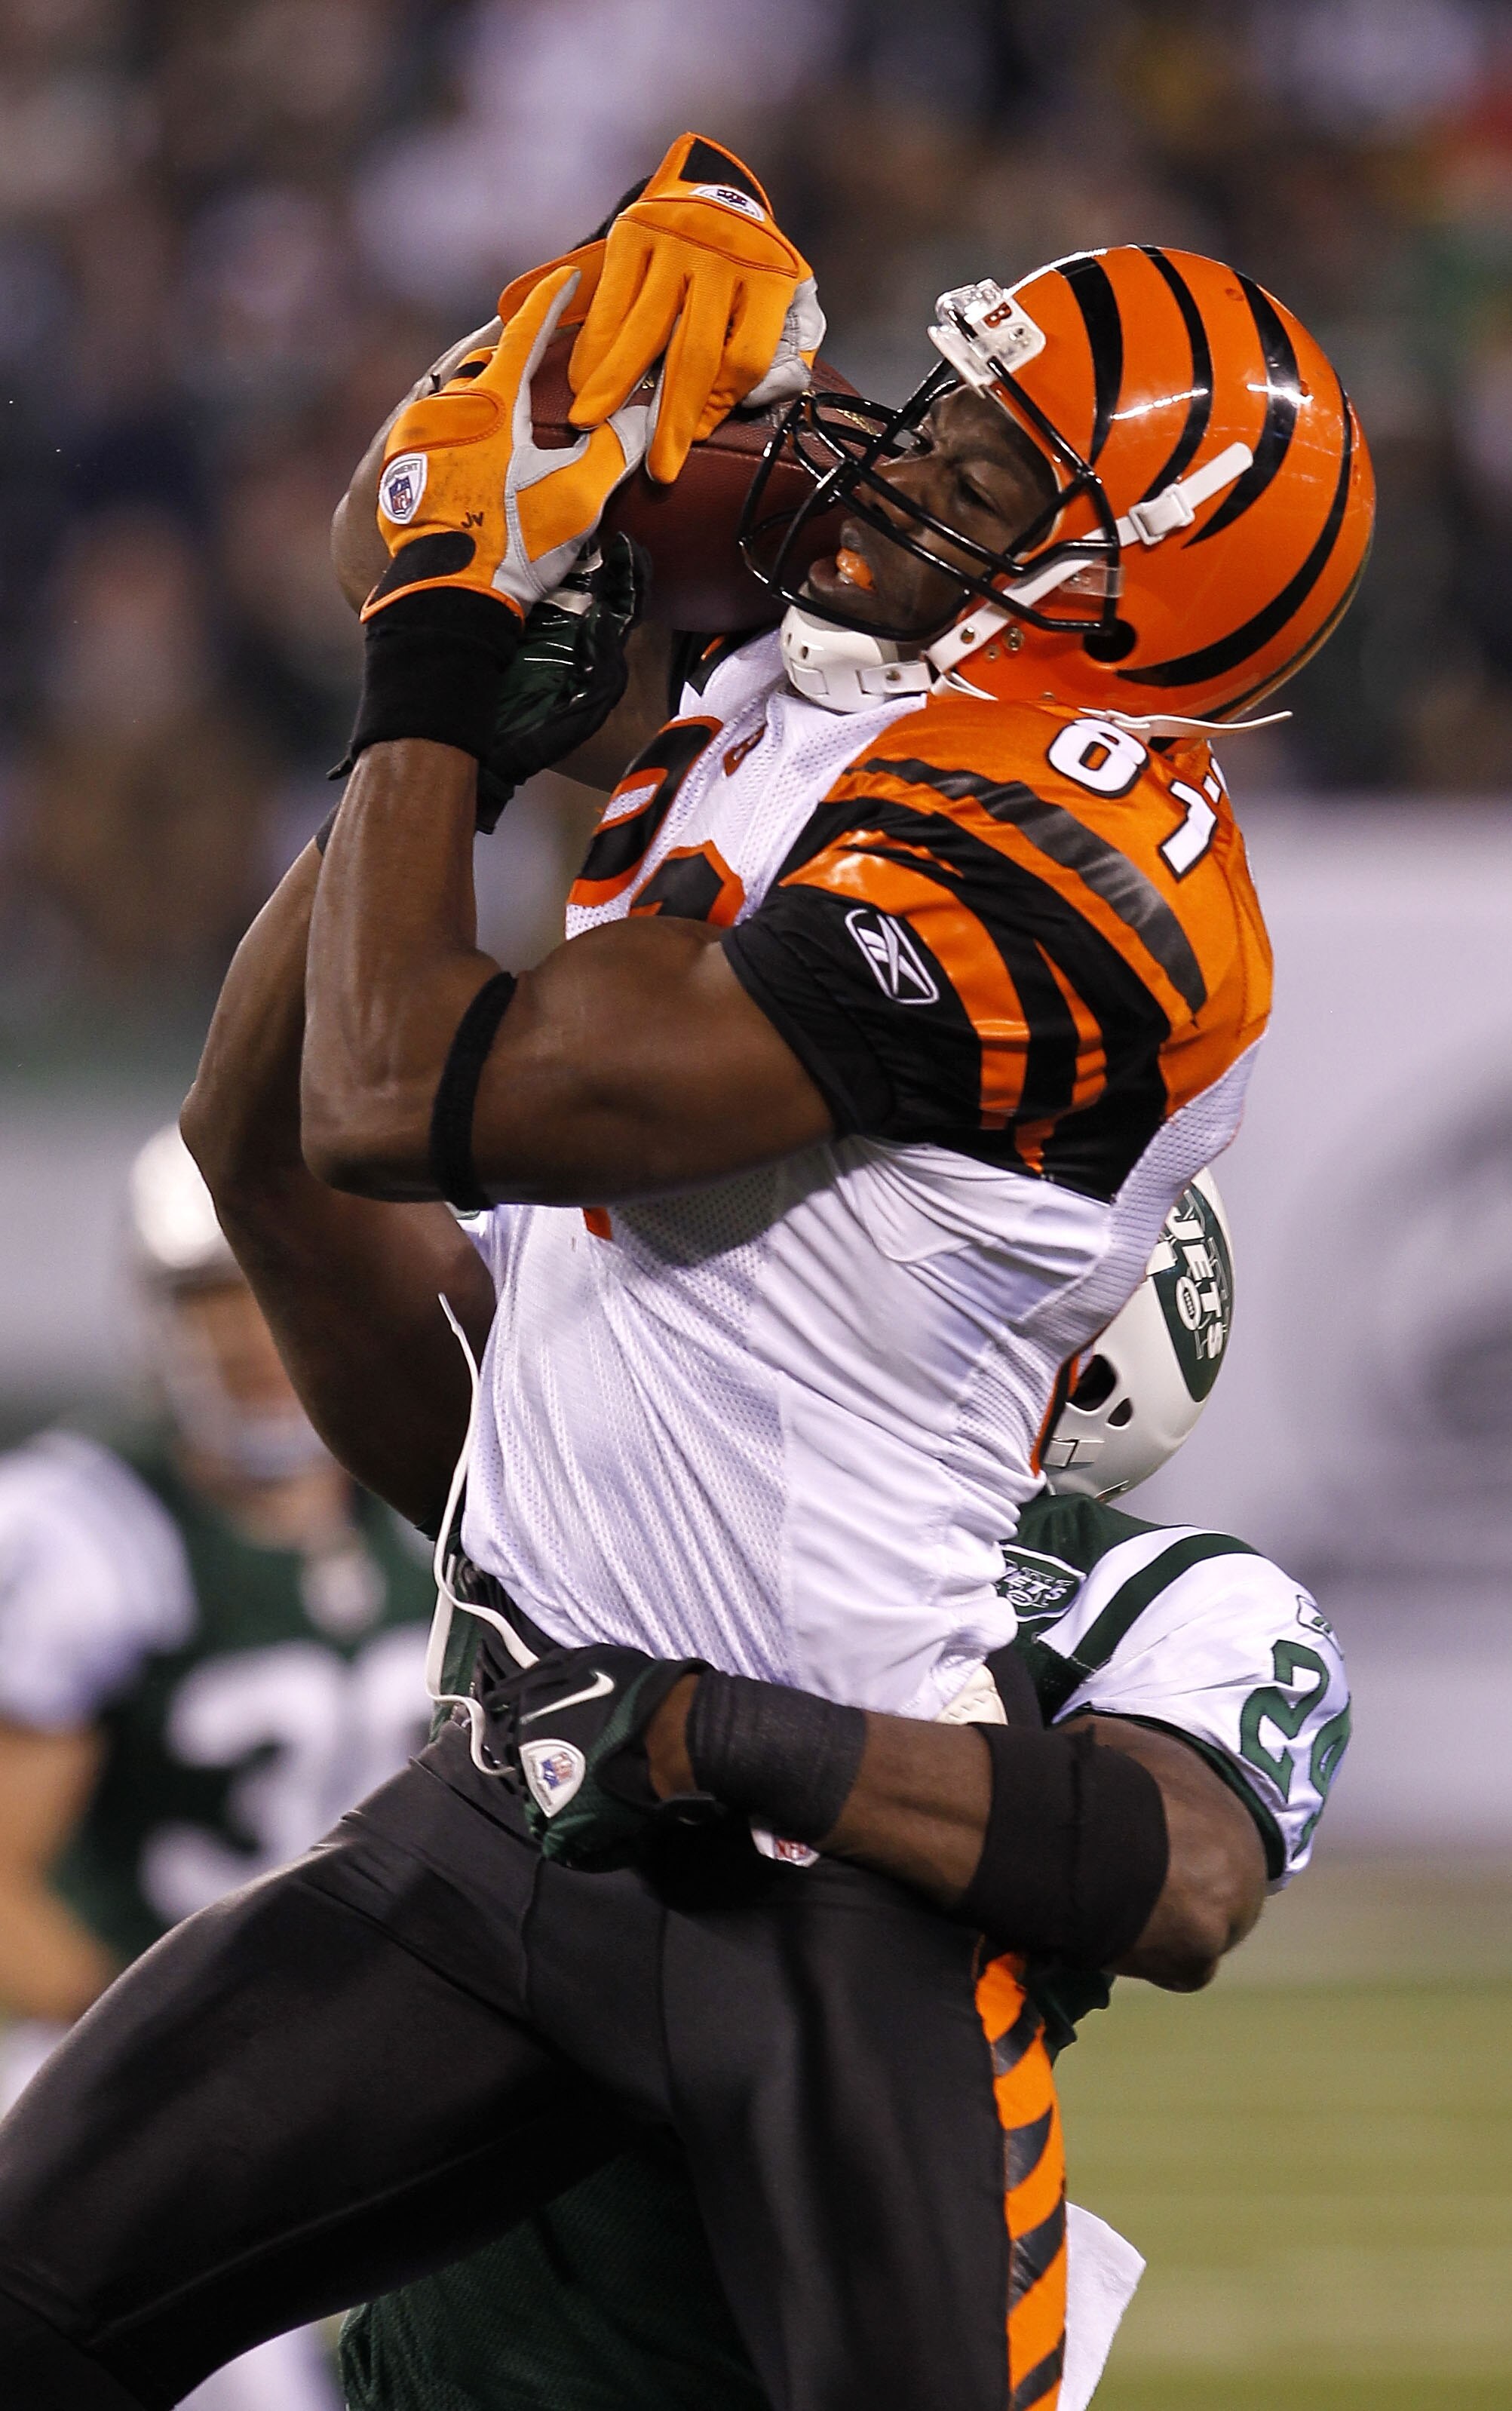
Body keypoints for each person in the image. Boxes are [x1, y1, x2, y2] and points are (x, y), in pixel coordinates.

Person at [0, 143, 1373, 2411]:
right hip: (509, 1791)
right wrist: (464, 667)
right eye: (940, 407)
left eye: (987, 463)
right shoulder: (826, 706)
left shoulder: (1095, 863)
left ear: (1124, 585)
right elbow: (269, 1138)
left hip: (811, 1884)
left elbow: (390, 1092)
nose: (901, 461)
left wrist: (438, 650)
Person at [339, 1176, 1351, 2411]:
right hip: (457, 2328)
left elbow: (1190, 1881)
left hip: (818, 2302)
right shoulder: (640, 1453)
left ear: (1083, 1361)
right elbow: (302, 1188)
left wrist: (714, 1735)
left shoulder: (1150, 1592)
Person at [0, 1127, 437, 2411]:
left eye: (271, 1284)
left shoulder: (427, 1497)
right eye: (209, 1294)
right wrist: (210, 2045)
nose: (247, 1332)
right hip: (113, 2050)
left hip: (351, 2048)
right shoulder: (88, 1520)